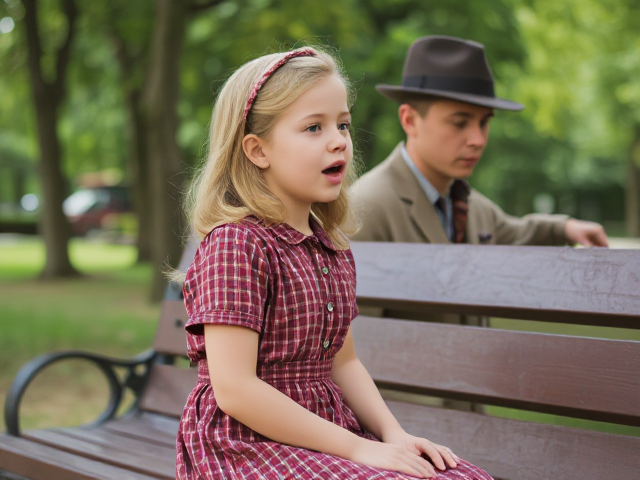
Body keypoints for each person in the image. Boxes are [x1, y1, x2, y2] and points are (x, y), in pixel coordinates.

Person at [175, 46, 493, 480]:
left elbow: (344, 364)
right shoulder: (238, 245)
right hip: (244, 445)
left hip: (326, 433)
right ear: (257, 150)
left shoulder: (331, 247)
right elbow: (235, 391)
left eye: (342, 123)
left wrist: (392, 435)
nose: (339, 139)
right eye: (313, 127)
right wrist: (360, 448)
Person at [351, 35, 608, 249]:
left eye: (484, 122)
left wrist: (566, 228)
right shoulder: (365, 209)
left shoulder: (471, 206)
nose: (477, 140)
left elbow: (517, 232)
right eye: (459, 122)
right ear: (409, 120)